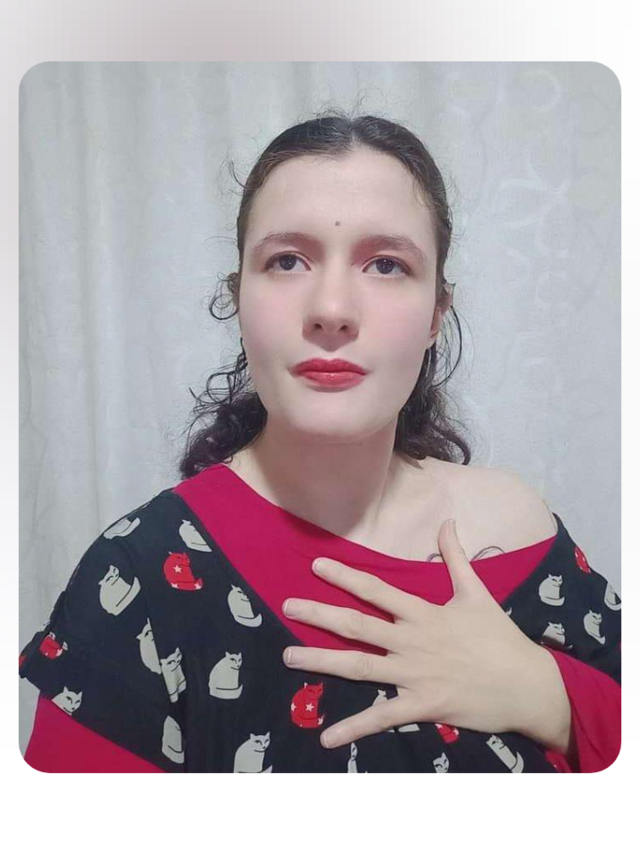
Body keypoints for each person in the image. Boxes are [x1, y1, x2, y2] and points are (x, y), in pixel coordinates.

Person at [20, 109, 621, 773]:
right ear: (238, 299)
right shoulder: (138, 575)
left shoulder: (520, 530)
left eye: (386, 264)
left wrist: (551, 696)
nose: (331, 310)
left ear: (436, 315)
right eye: (287, 261)